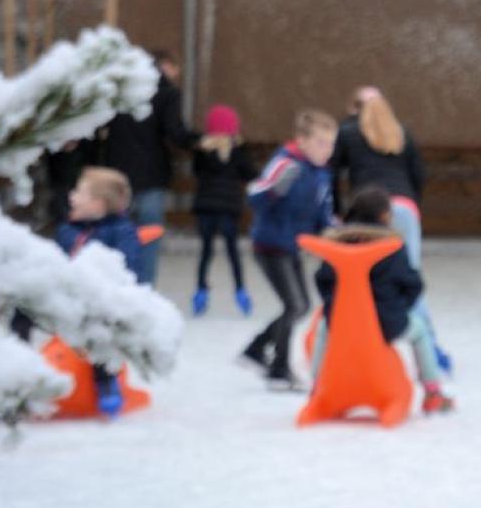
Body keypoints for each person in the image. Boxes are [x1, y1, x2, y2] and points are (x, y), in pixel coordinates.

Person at [312, 187, 454, 415]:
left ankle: (317, 388)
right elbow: (413, 284)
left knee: (322, 329)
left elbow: (322, 280)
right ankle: (432, 393)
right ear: (385, 216)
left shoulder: (337, 244)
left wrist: (335, 305)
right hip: (387, 322)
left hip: (344, 322)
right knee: (420, 332)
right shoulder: (392, 246)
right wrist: (398, 307)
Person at [240, 110, 338, 391]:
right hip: (270, 245)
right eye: (321, 143)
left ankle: (257, 349)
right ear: (302, 141)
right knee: (295, 305)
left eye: (331, 144)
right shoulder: (286, 163)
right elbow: (256, 195)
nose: (327, 150)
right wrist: (273, 191)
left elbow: (324, 213)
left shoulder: (321, 174)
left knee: (301, 305)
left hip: (292, 246)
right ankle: (279, 370)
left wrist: (336, 231)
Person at [40, 166, 144, 416]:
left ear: (97, 205)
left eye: (79, 192)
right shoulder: (67, 230)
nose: (71, 196)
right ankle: (18, 373)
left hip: (99, 301)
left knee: (99, 329)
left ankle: (106, 381)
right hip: (63, 299)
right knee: (21, 316)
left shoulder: (120, 231)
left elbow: (128, 265)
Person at [95, 49, 195, 284]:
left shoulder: (118, 94)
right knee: (149, 236)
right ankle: (144, 288)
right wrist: (201, 141)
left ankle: (116, 284)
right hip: (151, 175)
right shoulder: (167, 93)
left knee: (116, 236)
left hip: (117, 176)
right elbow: (176, 132)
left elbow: (98, 128)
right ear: (162, 67)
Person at [332, 88, 426, 267]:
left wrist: (337, 210)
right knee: (410, 269)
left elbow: (332, 173)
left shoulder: (347, 132)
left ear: (354, 108)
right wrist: (413, 202)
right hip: (404, 205)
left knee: (369, 269)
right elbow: (419, 175)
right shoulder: (402, 133)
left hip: (368, 208)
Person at [190, 104, 256, 317]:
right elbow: (251, 174)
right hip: (228, 208)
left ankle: (201, 291)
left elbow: (197, 172)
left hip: (206, 207)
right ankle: (240, 291)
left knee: (206, 251)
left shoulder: (202, 151)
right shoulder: (238, 152)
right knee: (232, 251)